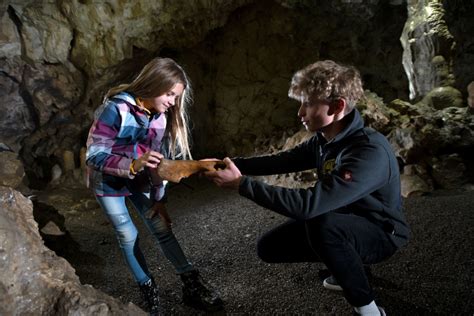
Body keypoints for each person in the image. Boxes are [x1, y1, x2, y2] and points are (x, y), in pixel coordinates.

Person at [204, 60, 410, 316]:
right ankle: (348, 265)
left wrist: (241, 185)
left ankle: (368, 309)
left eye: (308, 104)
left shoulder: (369, 151)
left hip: (381, 233)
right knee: (269, 248)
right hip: (344, 219)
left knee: (320, 223)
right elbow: (280, 161)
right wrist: (225, 164)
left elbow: (307, 205)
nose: (300, 113)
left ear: (337, 106)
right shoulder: (325, 140)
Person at [85, 57, 223, 315]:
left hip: (138, 179)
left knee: (161, 227)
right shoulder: (116, 109)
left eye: (176, 96)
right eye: (170, 94)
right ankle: (148, 288)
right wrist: (134, 164)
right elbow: (94, 156)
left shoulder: (159, 118)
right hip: (108, 181)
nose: (172, 102)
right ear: (153, 84)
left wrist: (159, 200)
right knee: (127, 234)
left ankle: (191, 284)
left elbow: (157, 165)